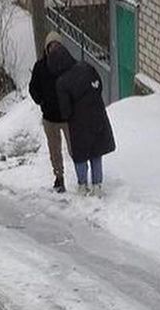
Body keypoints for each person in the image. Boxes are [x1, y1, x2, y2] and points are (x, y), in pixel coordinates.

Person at [49, 41, 116, 195]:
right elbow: (98, 86)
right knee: (96, 152)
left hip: (78, 123)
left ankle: (82, 185)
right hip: (97, 116)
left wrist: (70, 114)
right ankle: (97, 185)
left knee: (80, 155)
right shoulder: (86, 67)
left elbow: (65, 110)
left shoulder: (62, 82)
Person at [29, 31, 72, 193]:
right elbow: (33, 88)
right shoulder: (40, 67)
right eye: (51, 45)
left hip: (67, 116)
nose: (54, 48)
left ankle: (82, 175)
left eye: (57, 45)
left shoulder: (68, 65)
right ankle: (59, 177)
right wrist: (41, 101)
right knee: (54, 150)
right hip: (49, 117)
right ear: (47, 48)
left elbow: (75, 85)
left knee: (74, 148)